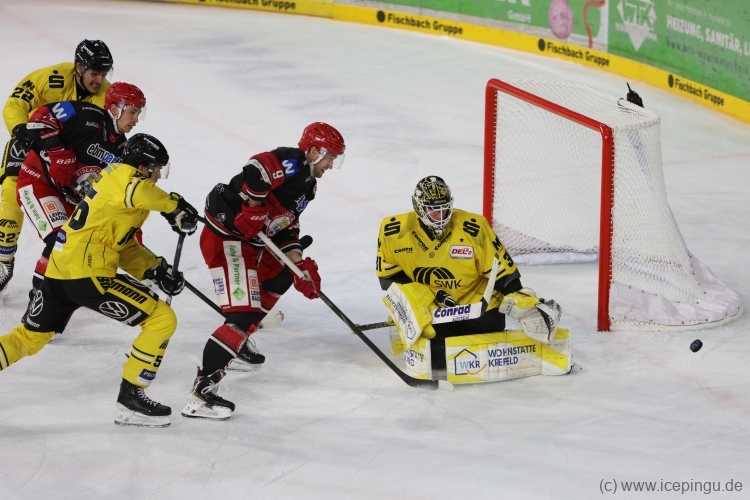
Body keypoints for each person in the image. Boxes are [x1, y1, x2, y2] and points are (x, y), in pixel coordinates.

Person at [0, 133, 199, 427]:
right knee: (161, 319)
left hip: (60, 271)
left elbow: (122, 245)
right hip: (87, 274)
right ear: (142, 166)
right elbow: (140, 189)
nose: (158, 176)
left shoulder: (117, 187)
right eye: (156, 169)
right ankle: (131, 399)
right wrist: (173, 207)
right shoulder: (124, 177)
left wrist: (154, 269)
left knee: (29, 338)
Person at [180, 122, 345, 420]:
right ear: (314, 151)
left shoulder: (308, 186)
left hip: (253, 243)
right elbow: (256, 168)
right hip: (228, 240)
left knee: (283, 275)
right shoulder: (292, 161)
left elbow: (286, 227)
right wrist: (254, 207)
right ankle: (201, 392)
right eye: (330, 157)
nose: (331, 165)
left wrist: (298, 264)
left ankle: (237, 340)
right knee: (243, 315)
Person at [375, 176, 562, 369]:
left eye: (445, 209)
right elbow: (388, 277)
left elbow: (504, 273)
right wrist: (411, 305)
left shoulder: (473, 228)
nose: (441, 216)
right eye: (434, 211)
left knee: (480, 354)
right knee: (437, 359)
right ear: (419, 208)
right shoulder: (393, 232)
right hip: (434, 312)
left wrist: (521, 301)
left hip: (479, 310)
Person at [1, 40, 113, 293]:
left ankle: (65, 262)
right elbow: (16, 103)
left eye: (104, 74)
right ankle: (3, 258)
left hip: (69, 155)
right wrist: (20, 129)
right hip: (32, 143)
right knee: (9, 192)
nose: (100, 80)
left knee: (79, 208)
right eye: (95, 73)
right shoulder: (51, 77)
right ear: (79, 67)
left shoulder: (107, 96)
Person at [18, 81, 145, 295]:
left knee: (77, 247)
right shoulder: (84, 113)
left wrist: (131, 235)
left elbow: (120, 197)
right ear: (115, 108)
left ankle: (54, 295)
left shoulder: (122, 150)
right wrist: (58, 153)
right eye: (132, 112)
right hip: (38, 183)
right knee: (59, 240)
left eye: (139, 113)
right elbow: (40, 117)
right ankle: (39, 298)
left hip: (71, 198)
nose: (136, 120)